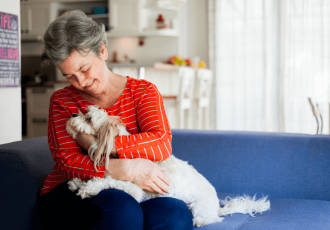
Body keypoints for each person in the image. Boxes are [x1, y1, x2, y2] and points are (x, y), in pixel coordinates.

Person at [39, 10, 193, 230]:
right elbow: (68, 163)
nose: (81, 82)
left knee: (174, 215)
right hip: (73, 190)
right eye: (69, 76)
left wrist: (97, 145)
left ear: (102, 50)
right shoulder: (61, 101)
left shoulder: (143, 92)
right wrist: (127, 168)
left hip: (134, 189)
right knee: (123, 209)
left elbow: (160, 144)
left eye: (84, 68)